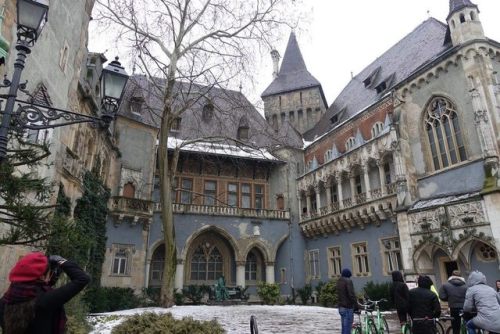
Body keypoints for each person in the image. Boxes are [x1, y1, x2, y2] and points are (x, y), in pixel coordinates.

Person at [0, 252, 90, 334]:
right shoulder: (46, 301)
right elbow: (82, 279)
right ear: (42, 277)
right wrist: (61, 260)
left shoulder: (5, 301)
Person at [439, 270, 467, 334]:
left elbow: (442, 296)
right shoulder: (466, 286)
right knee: (467, 324)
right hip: (464, 307)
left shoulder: (445, 285)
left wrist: (450, 298)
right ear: (460, 276)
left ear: (451, 275)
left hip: (453, 308)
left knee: (455, 327)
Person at [336, 268, 358, 334]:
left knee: (344, 327)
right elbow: (351, 295)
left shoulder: (339, 281)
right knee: (348, 327)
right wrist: (356, 305)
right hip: (348, 307)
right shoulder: (348, 281)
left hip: (341, 307)